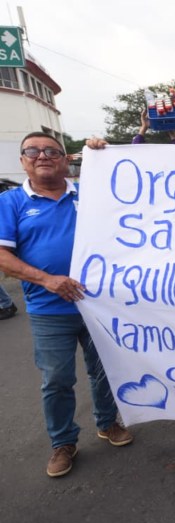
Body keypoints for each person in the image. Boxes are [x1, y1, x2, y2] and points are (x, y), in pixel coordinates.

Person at [0, 133, 134, 478]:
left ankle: (108, 423)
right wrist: (47, 280)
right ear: (22, 161)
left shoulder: (90, 194)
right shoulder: (11, 202)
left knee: (104, 370)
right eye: (32, 151)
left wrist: (107, 155)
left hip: (98, 306)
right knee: (57, 379)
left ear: (65, 159)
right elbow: (2, 255)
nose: (42, 155)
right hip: (49, 310)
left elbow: (138, 193)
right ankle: (63, 443)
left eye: (51, 151)